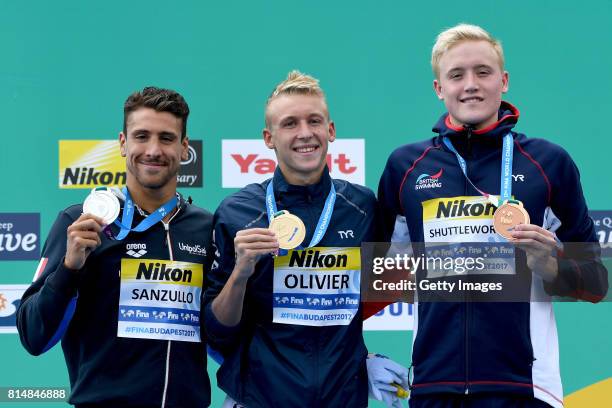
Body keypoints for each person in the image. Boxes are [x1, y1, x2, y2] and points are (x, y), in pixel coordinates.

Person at [377, 24, 608, 408]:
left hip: (525, 388)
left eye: (483, 72)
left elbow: (597, 283)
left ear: (503, 81)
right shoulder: (406, 167)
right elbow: (367, 279)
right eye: (457, 75)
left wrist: (551, 266)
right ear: (439, 88)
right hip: (435, 387)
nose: (471, 84)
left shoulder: (548, 163)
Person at [204, 71, 408, 408]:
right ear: (268, 138)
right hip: (260, 399)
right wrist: (240, 273)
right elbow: (216, 332)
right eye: (289, 124)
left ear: (330, 130)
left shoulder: (362, 207)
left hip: (341, 399)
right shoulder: (238, 213)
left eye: (314, 121)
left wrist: (363, 357)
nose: (304, 133)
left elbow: (374, 295)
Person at [17, 87, 213, 408]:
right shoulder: (80, 221)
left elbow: (224, 333)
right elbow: (33, 336)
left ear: (184, 148)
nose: (153, 149)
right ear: (123, 144)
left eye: (166, 138)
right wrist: (69, 268)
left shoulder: (205, 228)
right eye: (141, 136)